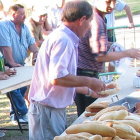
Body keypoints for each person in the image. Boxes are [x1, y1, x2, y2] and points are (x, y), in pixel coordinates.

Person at [28, 1, 109, 139]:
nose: (89, 27)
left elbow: (60, 80)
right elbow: (57, 78)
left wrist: (88, 90)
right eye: (89, 22)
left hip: (50, 110)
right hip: (47, 111)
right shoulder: (63, 40)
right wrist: (89, 81)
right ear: (81, 20)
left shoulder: (63, 37)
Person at [75, 0, 140, 117]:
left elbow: (95, 45)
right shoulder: (97, 21)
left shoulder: (97, 18)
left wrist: (113, 45)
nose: (111, 6)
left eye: (114, 2)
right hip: (85, 75)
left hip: (85, 74)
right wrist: (127, 53)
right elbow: (100, 56)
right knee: (89, 116)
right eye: (107, 2)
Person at [0, 4, 38, 124]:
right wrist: (12, 63)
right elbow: (6, 46)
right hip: (8, 64)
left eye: (24, 13)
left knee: (21, 88)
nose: (24, 16)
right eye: (21, 14)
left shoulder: (24, 27)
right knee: (14, 91)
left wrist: (37, 52)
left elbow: (31, 43)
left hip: (20, 63)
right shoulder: (4, 26)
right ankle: (24, 112)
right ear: (13, 14)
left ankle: (15, 116)